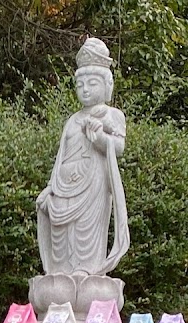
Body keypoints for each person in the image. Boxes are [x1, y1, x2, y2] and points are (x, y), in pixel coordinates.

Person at [36, 37, 129, 277]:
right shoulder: (72, 120)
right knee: (63, 234)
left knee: (87, 231)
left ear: (107, 85)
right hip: (64, 187)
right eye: (80, 84)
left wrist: (100, 140)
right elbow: (61, 158)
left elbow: (118, 147)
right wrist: (50, 188)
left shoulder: (112, 115)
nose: (86, 89)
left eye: (92, 83)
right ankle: (60, 274)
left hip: (94, 185)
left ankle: (86, 271)